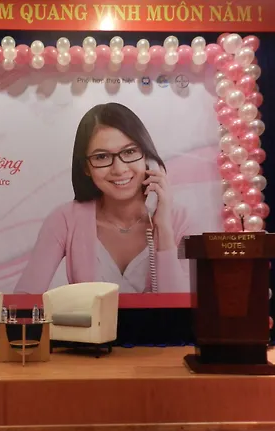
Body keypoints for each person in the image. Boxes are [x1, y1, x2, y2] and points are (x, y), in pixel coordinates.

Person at [14, 102, 191, 294]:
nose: (119, 169)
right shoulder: (65, 220)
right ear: (86, 168)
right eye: (102, 157)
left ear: (147, 157)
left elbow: (184, 305)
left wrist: (164, 229)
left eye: (129, 152)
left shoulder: (180, 220)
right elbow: (23, 299)